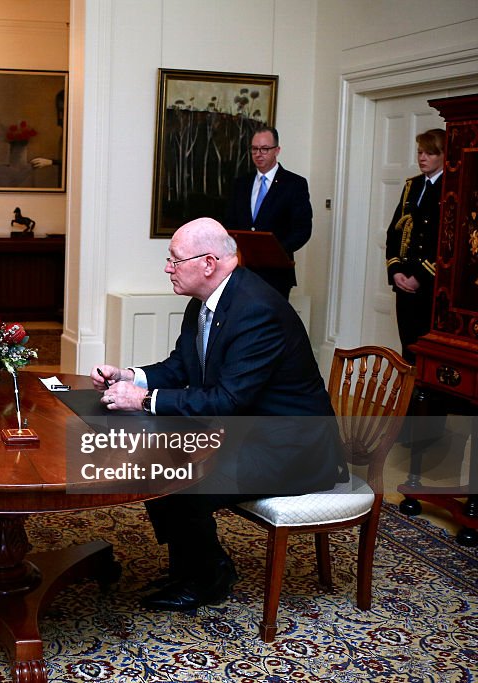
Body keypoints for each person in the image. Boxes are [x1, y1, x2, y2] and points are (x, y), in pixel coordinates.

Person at [90, 217, 343, 612]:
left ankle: (210, 575)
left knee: (178, 472)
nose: (167, 267)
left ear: (208, 263)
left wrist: (142, 400)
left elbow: (226, 400)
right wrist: (128, 375)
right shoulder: (205, 302)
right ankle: (192, 568)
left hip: (293, 449)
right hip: (252, 434)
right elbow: (180, 366)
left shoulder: (257, 310)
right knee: (156, 459)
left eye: (174, 259)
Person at [222, 126, 312, 299]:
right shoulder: (241, 183)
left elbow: (302, 229)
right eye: (254, 149)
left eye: (265, 149)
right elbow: (230, 222)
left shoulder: (294, 184)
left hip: (276, 275)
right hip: (241, 271)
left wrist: (275, 250)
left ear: (277, 150)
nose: (259, 154)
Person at [385, 128, 445, 364]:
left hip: (430, 283)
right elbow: (394, 232)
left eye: (429, 153)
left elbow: (445, 241)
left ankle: (420, 400)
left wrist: (419, 276)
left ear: (443, 155)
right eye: (420, 152)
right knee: (407, 346)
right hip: (404, 279)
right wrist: (395, 270)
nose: (422, 158)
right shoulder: (413, 185)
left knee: (427, 352)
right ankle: (407, 400)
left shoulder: (451, 186)